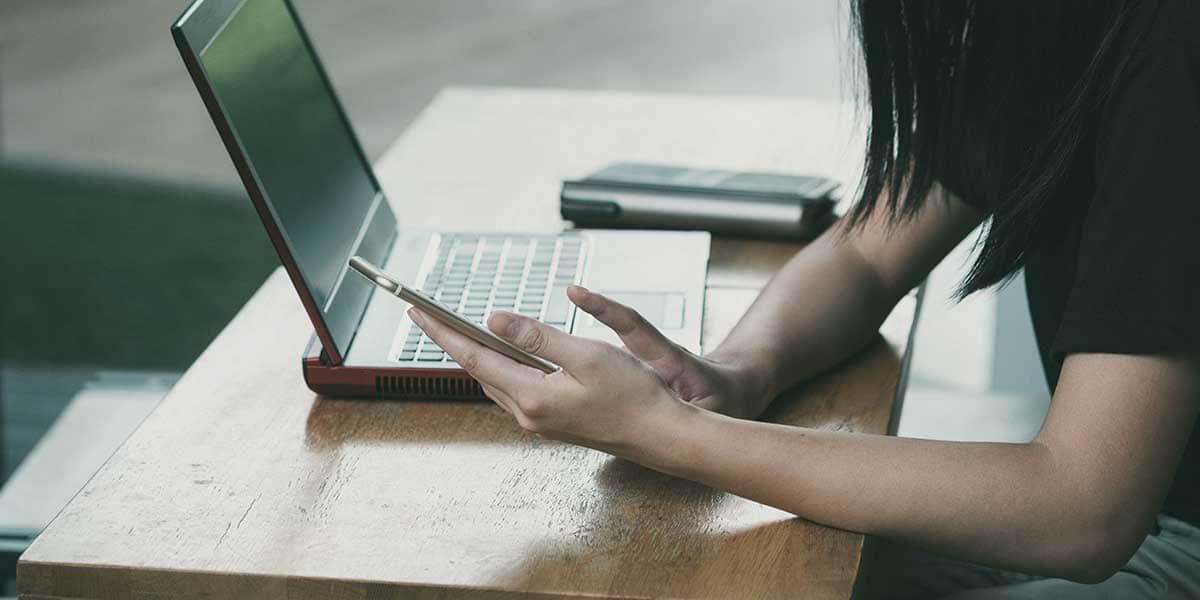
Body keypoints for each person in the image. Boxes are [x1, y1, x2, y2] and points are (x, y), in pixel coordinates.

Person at [408, 0, 1200, 597]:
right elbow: (866, 251)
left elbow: (1083, 507)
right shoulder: (1048, 28)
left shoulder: (1173, 48)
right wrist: (737, 372)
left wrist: (669, 432)